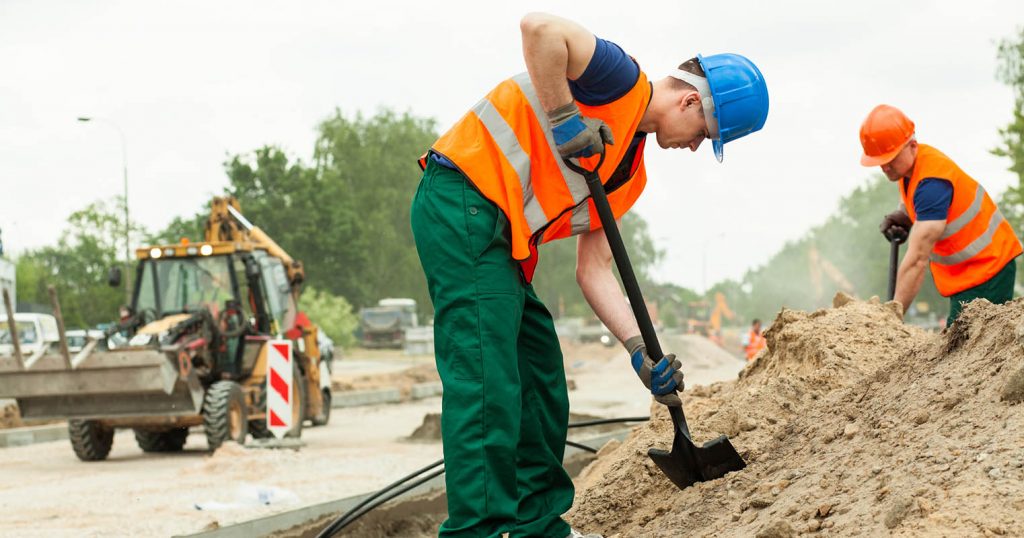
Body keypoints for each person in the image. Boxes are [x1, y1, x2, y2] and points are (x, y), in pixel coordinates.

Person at [410, 12, 768, 537]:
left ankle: (538, 527)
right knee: (489, 381)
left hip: (500, 240)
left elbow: (594, 269)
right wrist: (563, 118)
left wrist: (638, 352)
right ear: (692, 100)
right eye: (704, 135)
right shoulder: (617, 80)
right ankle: (477, 532)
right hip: (461, 198)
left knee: (541, 379)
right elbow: (538, 29)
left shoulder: (630, 172)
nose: (694, 147)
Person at [861, 104, 1022, 326]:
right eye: (880, 161)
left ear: (912, 145)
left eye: (890, 158)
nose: (885, 167)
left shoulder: (932, 184)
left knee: (964, 351)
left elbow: (917, 259)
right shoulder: (908, 170)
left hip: (987, 269)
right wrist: (904, 215)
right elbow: (915, 204)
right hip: (968, 273)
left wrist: (892, 318)